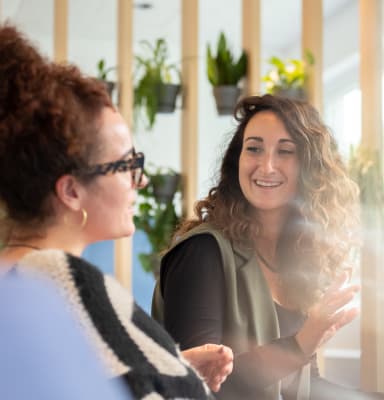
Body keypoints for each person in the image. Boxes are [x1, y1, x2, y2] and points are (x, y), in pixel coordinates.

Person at [0, 24, 233, 400]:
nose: (139, 181)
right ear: (71, 190)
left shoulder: (19, 279)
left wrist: (168, 365)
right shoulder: (64, 281)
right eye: (124, 165)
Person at [152, 95, 384, 399]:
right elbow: (202, 384)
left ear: (309, 168)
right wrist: (301, 342)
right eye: (254, 148)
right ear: (238, 159)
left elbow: (303, 386)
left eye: (285, 151)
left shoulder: (298, 260)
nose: (267, 165)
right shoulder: (202, 252)